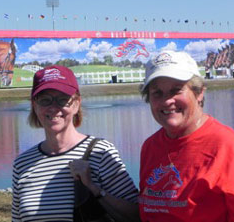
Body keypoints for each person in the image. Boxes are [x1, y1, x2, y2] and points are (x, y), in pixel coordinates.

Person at [138, 50, 234, 222]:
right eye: (157, 93)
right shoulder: (150, 147)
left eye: (176, 90)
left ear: (199, 93)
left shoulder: (228, 147)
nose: (167, 101)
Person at [12, 65, 140, 222]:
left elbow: (136, 215)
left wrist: (94, 188)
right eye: (45, 100)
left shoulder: (100, 153)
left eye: (62, 100)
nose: (53, 108)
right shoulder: (22, 163)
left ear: (76, 104)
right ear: (34, 105)